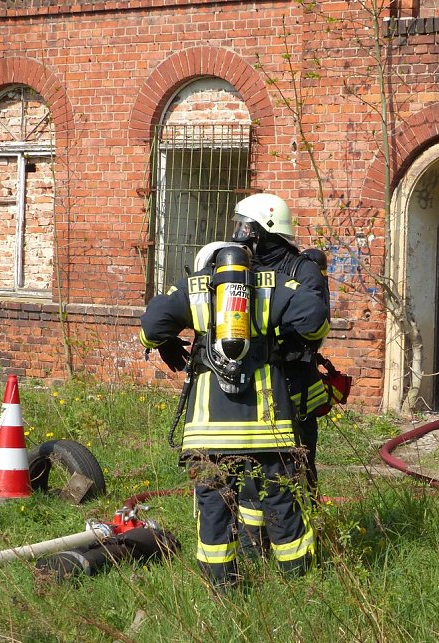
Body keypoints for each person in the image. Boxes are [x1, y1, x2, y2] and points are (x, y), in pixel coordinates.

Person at [139, 196, 330, 590]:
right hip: (267, 423)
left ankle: (222, 587)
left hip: (208, 428)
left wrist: (167, 342)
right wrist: (280, 335)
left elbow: (150, 325)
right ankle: (298, 583)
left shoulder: (195, 288)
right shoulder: (270, 286)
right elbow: (314, 320)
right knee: (281, 497)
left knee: (213, 504)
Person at [229, 194, 332, 558]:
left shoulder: (301, 269)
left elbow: (313, 324)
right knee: (250, 471)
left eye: (244, 226)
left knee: (296, 467)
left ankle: (303, 548)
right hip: (250, 388)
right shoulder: (238, 268)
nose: (238, 234)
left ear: (263, 231)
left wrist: (270, 331)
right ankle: (253, 550)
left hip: (292, 384)